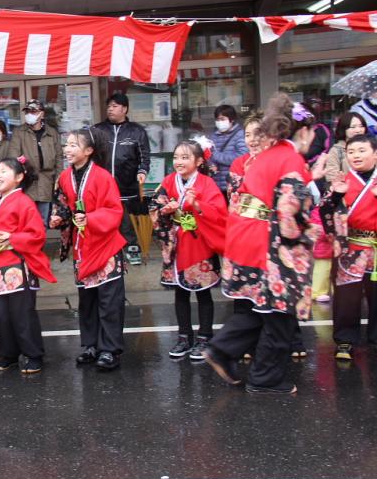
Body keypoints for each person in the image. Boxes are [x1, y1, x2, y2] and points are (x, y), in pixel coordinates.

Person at [203, 94, 316, 395]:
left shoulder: (266, 156)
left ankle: (222, 350)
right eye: (312, 131)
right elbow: (290, 212)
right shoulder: (291, 158)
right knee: (280, 312)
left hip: (245, 236)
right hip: (270, 242)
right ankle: (265, 379)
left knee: (257, 309)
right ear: (302, 131)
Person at [50, 128, 127, 371]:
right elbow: (62, 205)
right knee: (87, 299)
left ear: (89, 151)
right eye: (67, 145)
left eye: (74, 145)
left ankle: (109, 349)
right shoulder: (64, 177)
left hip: (105, 245)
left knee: (109, 300)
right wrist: (58, 218)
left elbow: (114, 210)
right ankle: (91, 345)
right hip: (82, 245)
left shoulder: (103, 177)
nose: (67, 149)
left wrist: (90, 219)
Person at [0, 156, 57, 374]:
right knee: (0, 314)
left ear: (19, 177)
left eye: (4, 171)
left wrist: (12, 238)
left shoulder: (24, 202)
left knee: (22, 313)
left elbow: (37, 234)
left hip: (17, 264)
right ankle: (7, 353)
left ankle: (33, 354)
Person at [151, 140, 227, 361]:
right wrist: (165, 210)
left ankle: (205, 337)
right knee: (180, 292)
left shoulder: (206, 184)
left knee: (203, 292)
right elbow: (154, 206)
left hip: (199, 242)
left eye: (185, 157)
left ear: (199, 161)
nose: (178, 162)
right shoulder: (168, 181)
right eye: (176, 157)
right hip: (176, 243)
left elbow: (219, 212)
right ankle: (184, 336)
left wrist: (197, 206)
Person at [319, 133, 377, 361]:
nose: (356, 156)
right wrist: (335, 198)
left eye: (362, 151)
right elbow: (324, 212)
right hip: (352, 245)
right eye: (351, 152)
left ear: (375, 153)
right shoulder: (341, 182)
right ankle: (345, 339)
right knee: (346, 296)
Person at [92, 94, 150, 265]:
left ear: (124, 109)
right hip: (102, 187)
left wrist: (142, 171)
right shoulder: (97, 130)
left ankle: (132, 250)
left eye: (115, 106)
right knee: (104, 222)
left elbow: (144, 156)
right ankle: (107, 254)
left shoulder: (137, 131)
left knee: (127, 223)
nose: (110, 109)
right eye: (109, 105)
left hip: (127, 186)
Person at [8, 99, 61, 224]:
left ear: (41, 114)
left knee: (43, 222)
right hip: (27, 184)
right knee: (27, 221)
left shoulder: (52, 133)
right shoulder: (19, 132)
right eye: (27, 111)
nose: (29, 114)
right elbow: (13, 156)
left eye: (33, 111)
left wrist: (59, 180)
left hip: (46, 183)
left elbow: (59, 158)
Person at [209, 104, 248, 195]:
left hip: (232, 184)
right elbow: (209, 156)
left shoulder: (240, 135)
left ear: (232, 119)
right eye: (217, 120)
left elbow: (241, 157)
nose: (220, 122)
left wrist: (216, 156)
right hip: (216, 184)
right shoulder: (214, 136)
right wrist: (211, 164)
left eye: (222, 119)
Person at [324, 112, 368, 182]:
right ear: (344, 129)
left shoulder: (371, 147)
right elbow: (331, 176)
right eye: (353, 127)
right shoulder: (336, 151)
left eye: (361, 126)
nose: (358, 130)